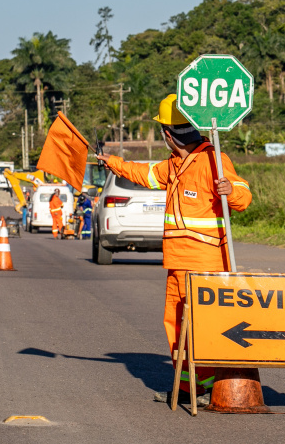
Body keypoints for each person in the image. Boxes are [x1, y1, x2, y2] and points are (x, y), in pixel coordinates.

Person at [97, 93, 252, 405]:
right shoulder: (175, 164)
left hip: (206, 264)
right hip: (177, 264)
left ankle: (207, 387)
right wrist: (112, 162)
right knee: (177, 325)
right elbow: (145, 174)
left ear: (168, 134)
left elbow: (243, 197)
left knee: (203, 327)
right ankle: (188, 388)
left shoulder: (213, 159)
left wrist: (230, 190)